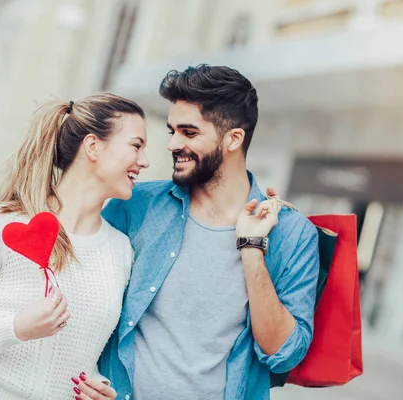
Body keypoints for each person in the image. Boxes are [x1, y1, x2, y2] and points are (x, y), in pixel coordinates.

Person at [97, 65, 320, 399]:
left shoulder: (293, 234)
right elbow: (79, 286)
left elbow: (283, 353)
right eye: (172, 130)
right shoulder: (136, 205)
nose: (173, 144)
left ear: (233, 139)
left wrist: (252, 248)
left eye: (189, 132)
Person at [0, 94, 150, 400]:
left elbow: (86, 353)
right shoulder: (5, 222)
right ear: (93, 146)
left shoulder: (121, 251)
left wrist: (99, 389)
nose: (145, 161)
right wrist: (15, 328)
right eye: (136, 145)